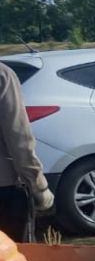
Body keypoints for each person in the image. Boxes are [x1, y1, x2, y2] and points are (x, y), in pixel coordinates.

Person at [0, 62, 53, 241]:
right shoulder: (3, 74)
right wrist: (39, 186)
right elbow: (18, 136)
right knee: (13, 258)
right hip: (5, 188)